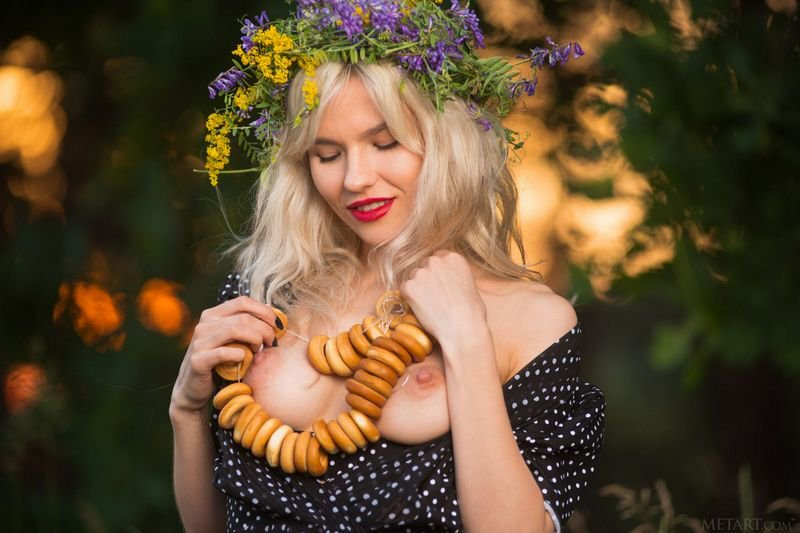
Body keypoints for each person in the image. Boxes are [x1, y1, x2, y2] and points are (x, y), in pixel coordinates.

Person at [170, 2, 604, 531]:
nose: (355, 179)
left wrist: (467, 340)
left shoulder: (532, 320)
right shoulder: (266, 290)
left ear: (447, 142)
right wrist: (186, 411)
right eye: (328, 154)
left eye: (385, 143)